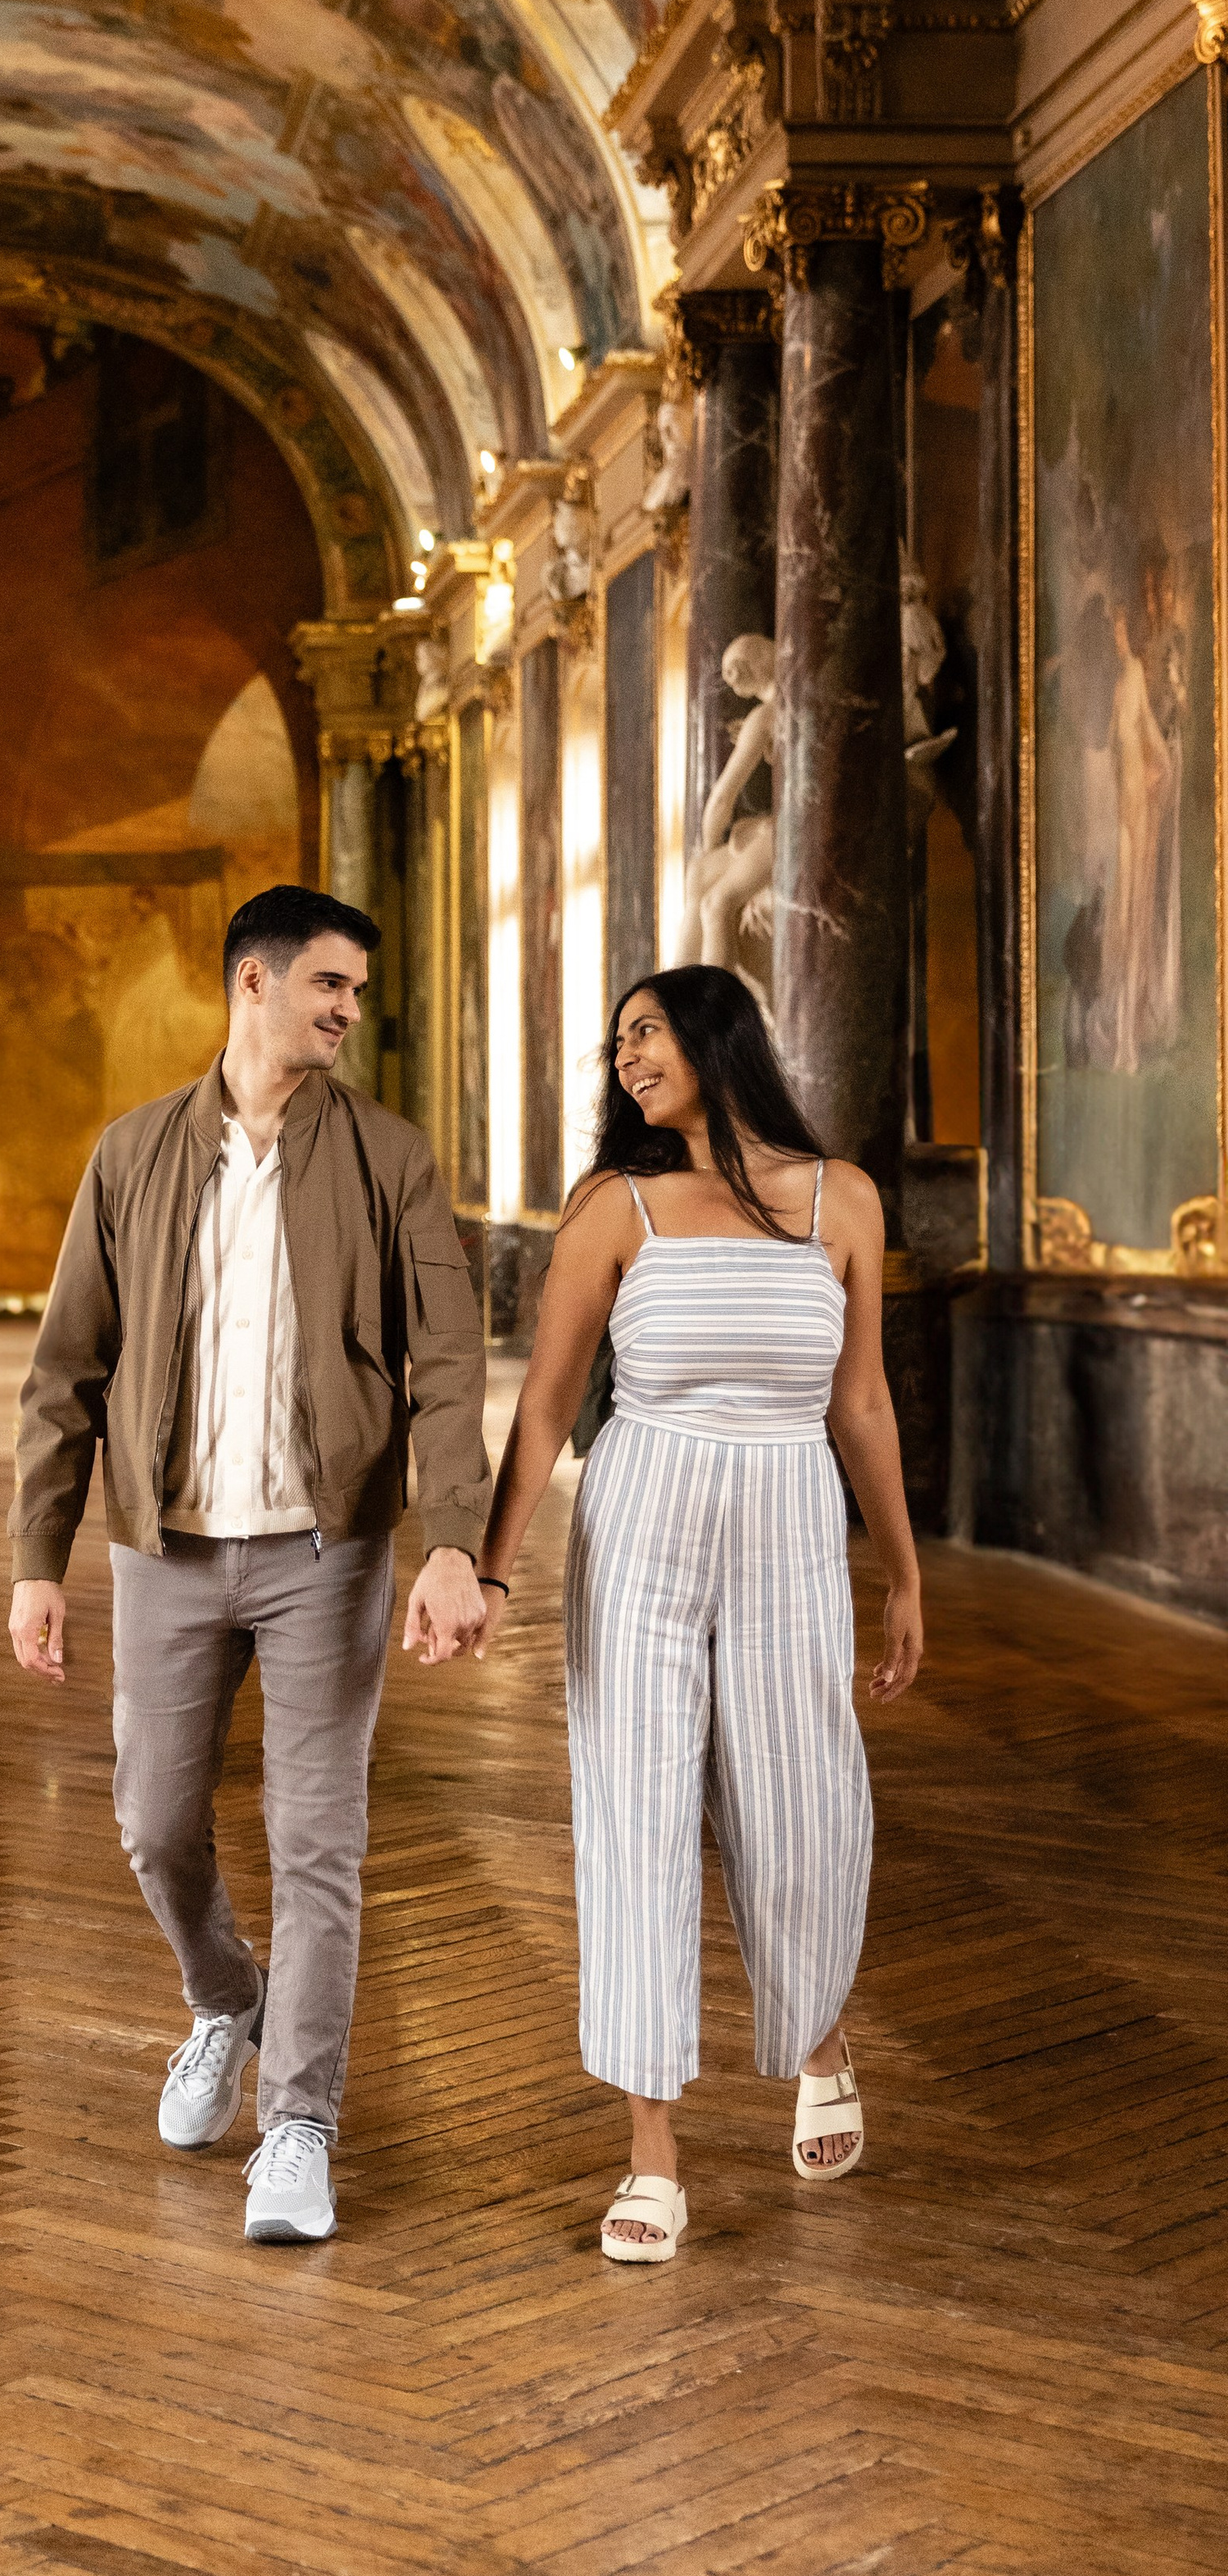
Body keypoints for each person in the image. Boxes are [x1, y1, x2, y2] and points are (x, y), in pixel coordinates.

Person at [417, 964, 924, 2265]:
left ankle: (818, 2031)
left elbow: (860, 1404)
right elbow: (545, 1407)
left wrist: (905, 1573)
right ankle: (652, 2150)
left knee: (799, 1800)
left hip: (791, 1520)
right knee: (636, 1812)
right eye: (618, 1042)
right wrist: (491, 1567)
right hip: (643, 1514)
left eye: (647, 1031)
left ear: (718, 1037)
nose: (627, 1056)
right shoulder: (616, 1206)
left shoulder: (843, 1201)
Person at [7, 883, 490, 2245]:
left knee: (317, 1838)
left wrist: (449, 1540)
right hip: (166, 1548)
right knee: (154, 1827)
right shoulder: (134, 1154)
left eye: (356, 993)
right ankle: (226, 1998)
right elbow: (65, 1373)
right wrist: (39, 1555)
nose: (347, 1012)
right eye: (329, 985)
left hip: (326, 1554)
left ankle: (299, 2124)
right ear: (253, 985)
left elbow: (447, 1363)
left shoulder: (390, 1160)